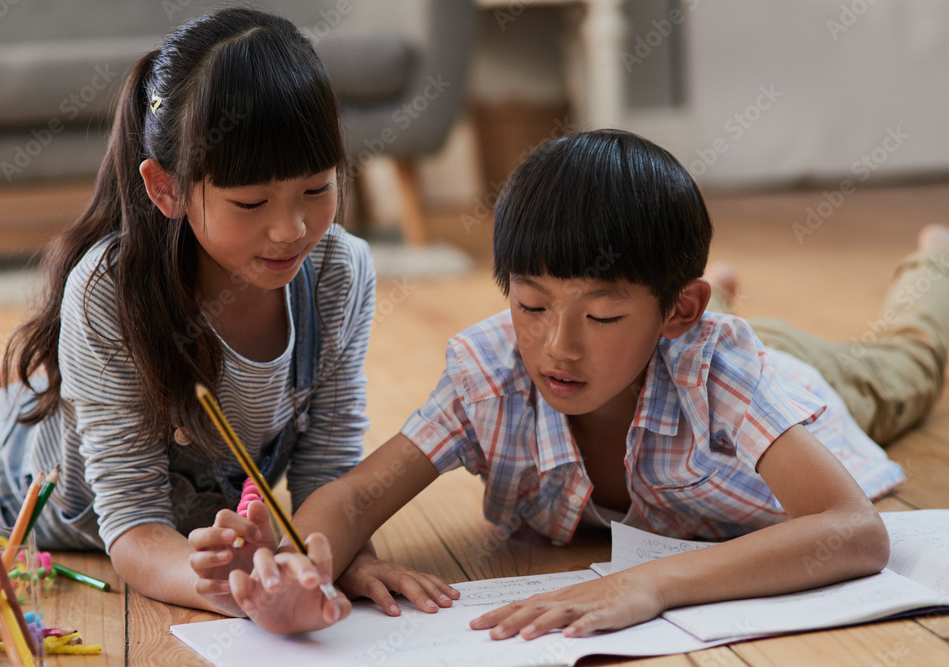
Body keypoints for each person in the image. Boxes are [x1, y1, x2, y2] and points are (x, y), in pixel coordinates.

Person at [189, 129, 949, 637]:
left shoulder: (721, 368)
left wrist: (649, 584)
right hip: (678, 336)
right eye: (530, 305)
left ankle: (935, 257)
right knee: (625, 327)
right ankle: (687, 292)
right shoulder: (490, 370)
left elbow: (852, 532)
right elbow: (353, 496)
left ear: (676, 312)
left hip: (790, 377)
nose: (558, 347)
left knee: (909, 360)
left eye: (605, 314)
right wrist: (313, 565)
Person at [0, 7, 456, 628]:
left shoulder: (338, 272)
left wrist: (335, 558)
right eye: (250, 201)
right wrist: (236, 591)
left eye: (318, 188)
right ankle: (21, 394)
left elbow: (329, 471)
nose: (291, 229)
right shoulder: (108, 292)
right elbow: (134, 526)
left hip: (174, 505)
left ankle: (39, 382)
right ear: (165, 190)